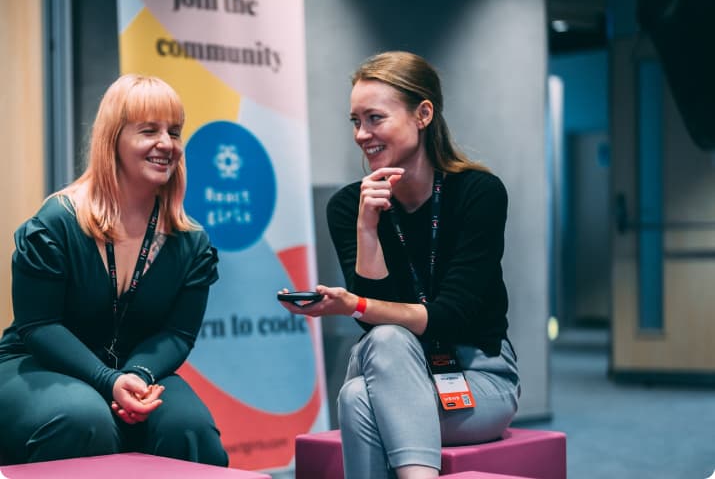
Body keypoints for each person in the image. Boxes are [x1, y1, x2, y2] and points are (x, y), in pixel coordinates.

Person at [279, 51, 519, 479]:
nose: (362, 134)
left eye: (375, 118)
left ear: (423, 114)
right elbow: (374, 325)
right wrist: (368, 228)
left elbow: (450, 316)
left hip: (477, 378)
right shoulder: (349, 207)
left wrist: (355, 304)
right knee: (383, 346)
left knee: (359, 395)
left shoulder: (478, 193)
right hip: (393, 371)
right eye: (355, 121)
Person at [0, 74, 227, 466]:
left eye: (174, 132)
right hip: (37, 363)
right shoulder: (57, 221)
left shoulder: (191, 242)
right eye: (149, 131)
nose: (166, 144)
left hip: (136, 370)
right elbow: (39, 326)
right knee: (82, 419)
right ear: (113, 139)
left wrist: (137, 374)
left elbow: (177, 334)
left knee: (190, 430)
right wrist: (109, 381)